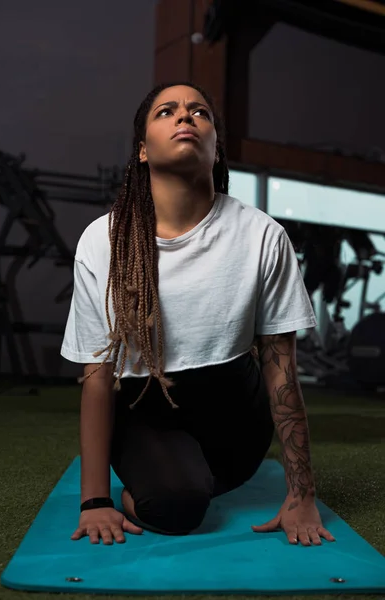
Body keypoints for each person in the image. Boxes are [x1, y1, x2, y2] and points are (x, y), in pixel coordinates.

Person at [61, 81, 336, 548]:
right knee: (175, 508)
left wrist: (301, 494)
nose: (185, 117)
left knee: (207, 478)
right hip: (147, 408)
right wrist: (96, 501)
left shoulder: (262, 235)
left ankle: (200, 474)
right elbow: (99, 375)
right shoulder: (102, 241)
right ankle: (152, 482)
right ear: (143, 151)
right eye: (166, 111)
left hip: (235, 417)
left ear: (215, 148)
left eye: (200, 113)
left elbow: (281, 371)